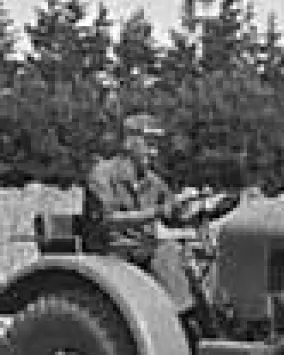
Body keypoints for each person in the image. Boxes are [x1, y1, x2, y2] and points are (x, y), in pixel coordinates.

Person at [81, 112, 203, 319]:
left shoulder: (153, 181)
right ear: (129, 143)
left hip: (144, 248)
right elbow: (107, 220)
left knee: (196, 256)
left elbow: (174, 213)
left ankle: (204, 315)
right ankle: (182, 317)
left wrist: (195, 204)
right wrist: (158, 212)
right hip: (111, 252)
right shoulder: (101, 175)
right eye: (149, 144)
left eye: (157, 146)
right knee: (167, 251)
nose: (154, 152)